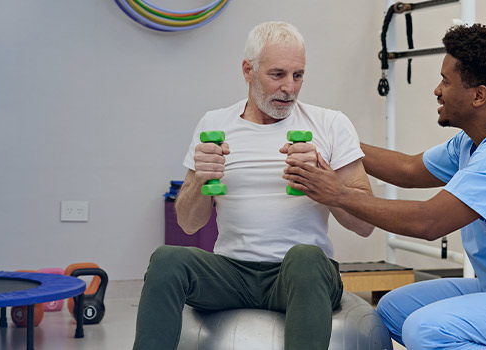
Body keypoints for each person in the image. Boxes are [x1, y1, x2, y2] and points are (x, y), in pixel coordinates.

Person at [283, 23, 486, 349]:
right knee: (393, 310)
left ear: (479, 95)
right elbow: (407, 169)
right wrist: (332, 140)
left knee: (428, 329)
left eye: (446, 81)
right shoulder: (472, 142)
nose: (437, 89)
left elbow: (428, 221)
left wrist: (338, 194)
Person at [134, 21, 375, 350]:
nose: (289, 88)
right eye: (277, 74)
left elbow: (364, 225)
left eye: (298, 75)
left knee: (306, 257)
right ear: (248, 70)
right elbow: (189, 223)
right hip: (231, 272)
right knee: (167, 260)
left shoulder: (330, 124)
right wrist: (202, 180)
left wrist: (324, 180)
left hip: (302, 273)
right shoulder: (215, 124)